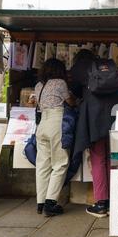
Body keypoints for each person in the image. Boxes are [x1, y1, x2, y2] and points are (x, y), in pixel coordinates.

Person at [71, 49, 118, 218]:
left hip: (94, 119)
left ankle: (102, 203)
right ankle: (114, 200)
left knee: (97, 158)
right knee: (112, 158)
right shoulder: (110, 68)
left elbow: (75, 91)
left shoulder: (79, 69)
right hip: (116, 116)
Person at [35, 58, 75, 217]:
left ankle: (40, 202)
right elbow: (70, 102)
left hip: (42, 124)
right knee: (60, 162)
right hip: (56, 121)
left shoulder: (39, 85)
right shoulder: (60, 83)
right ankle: (51, 203)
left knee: (43, 164)